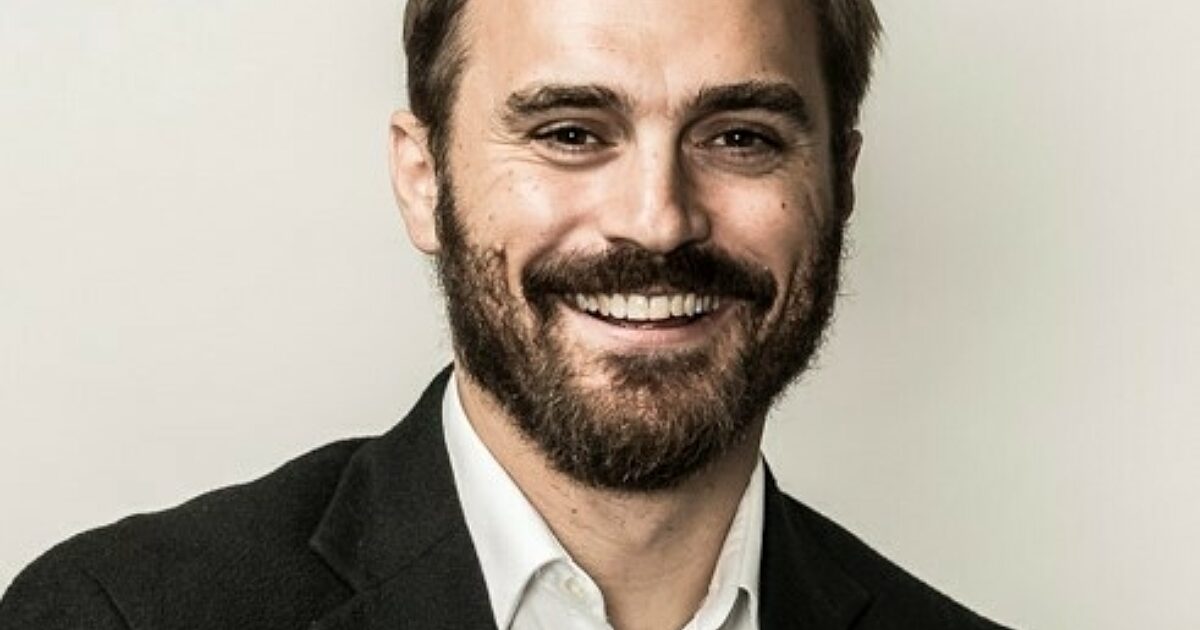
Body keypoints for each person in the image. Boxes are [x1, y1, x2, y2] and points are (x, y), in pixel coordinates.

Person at [0, 0, 1013, 628]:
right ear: (423, 181)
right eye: (571, 132)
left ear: (839, 180)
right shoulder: (120, 616)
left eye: (740, 137)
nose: (657, 219)